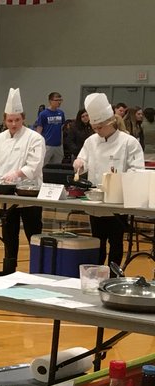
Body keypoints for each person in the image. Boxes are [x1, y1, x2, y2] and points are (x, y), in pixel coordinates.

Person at [0, 89, 45, 274]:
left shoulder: (35, 138)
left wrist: (17, 174)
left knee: (33, 233)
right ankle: (9, 270)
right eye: (10, 120)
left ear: (23, 119)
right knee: (9, 232)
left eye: (17, 120)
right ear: (5, 120)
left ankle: (38, 271)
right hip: (4, 193)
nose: (13, 124)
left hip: (30, 193)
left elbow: (34, 165)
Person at [75, 93, 144, 266]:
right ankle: (96, 275)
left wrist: (121, 185)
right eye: (94, 127)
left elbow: (137, 170)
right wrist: (79, 164)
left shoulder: (129, 142)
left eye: (100, 127)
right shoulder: (91, 141)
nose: (97, 131)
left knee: (115, 242)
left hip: (117, 203)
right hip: (96, 201)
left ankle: (113, 276)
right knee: (97, 241)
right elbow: (84, 162)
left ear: (111, 122)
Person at [33, 92, 65, 166]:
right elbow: (39, 129)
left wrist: (62, 143)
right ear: (50, 101)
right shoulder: (43, 114)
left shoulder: (61, 113)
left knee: (57, 166)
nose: (59, 102)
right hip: (47, 145)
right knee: (43, 165)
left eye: (60, 100)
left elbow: (62, 128)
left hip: (58, 146)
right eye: (56, 100)